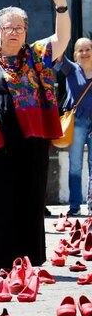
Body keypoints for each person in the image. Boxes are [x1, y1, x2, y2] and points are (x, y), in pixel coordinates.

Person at [0, 0, 70, 278]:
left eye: (20, 28)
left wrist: (61, 6)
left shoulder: (36, 54)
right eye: (9, 27)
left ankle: (25, 259)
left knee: (30, 198)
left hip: (33, 140)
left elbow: (62, 39)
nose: (15, 32)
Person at [56, 37, 92, 216]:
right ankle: (75, 205)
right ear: (75, 53)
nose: (84, 53)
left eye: (88, 49)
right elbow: (58, 53)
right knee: (76, 165)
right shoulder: (70, 69)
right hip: (77, 122)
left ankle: (91, 203)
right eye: (81, 50)